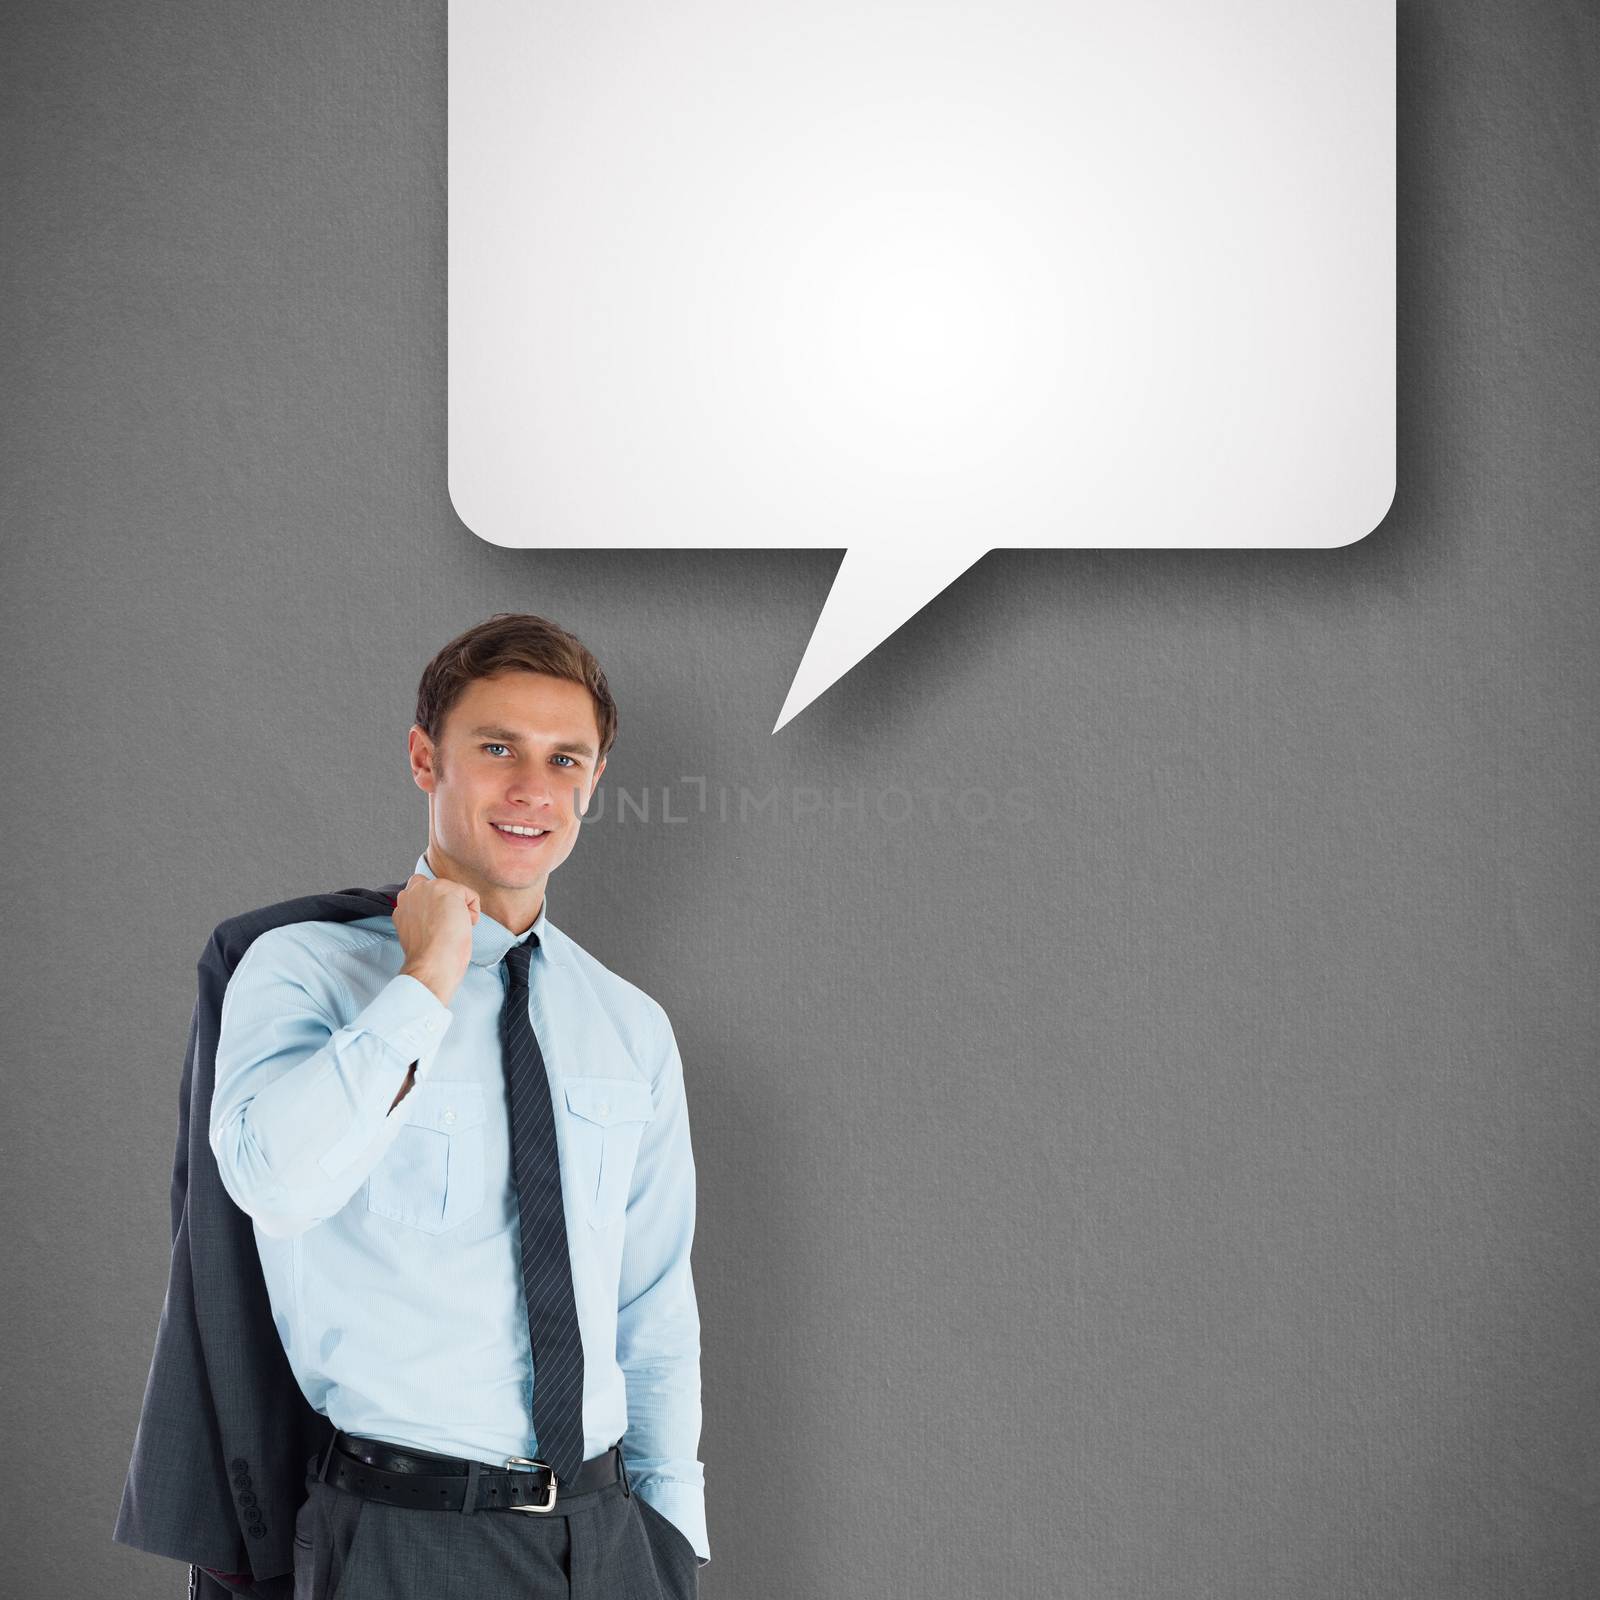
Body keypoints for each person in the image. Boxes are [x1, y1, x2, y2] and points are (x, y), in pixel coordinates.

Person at [201, 613, 706, 1597]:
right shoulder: (299, 970)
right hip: (406, 1536)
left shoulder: (628, 1024)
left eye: (566, 759)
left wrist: (672, 1546)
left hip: (610, 1542)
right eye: (496, 748)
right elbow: (274, 1184)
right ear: (425, 759)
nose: (532, 788)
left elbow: (650, 1308)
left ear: (594, 783)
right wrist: (428, 978)